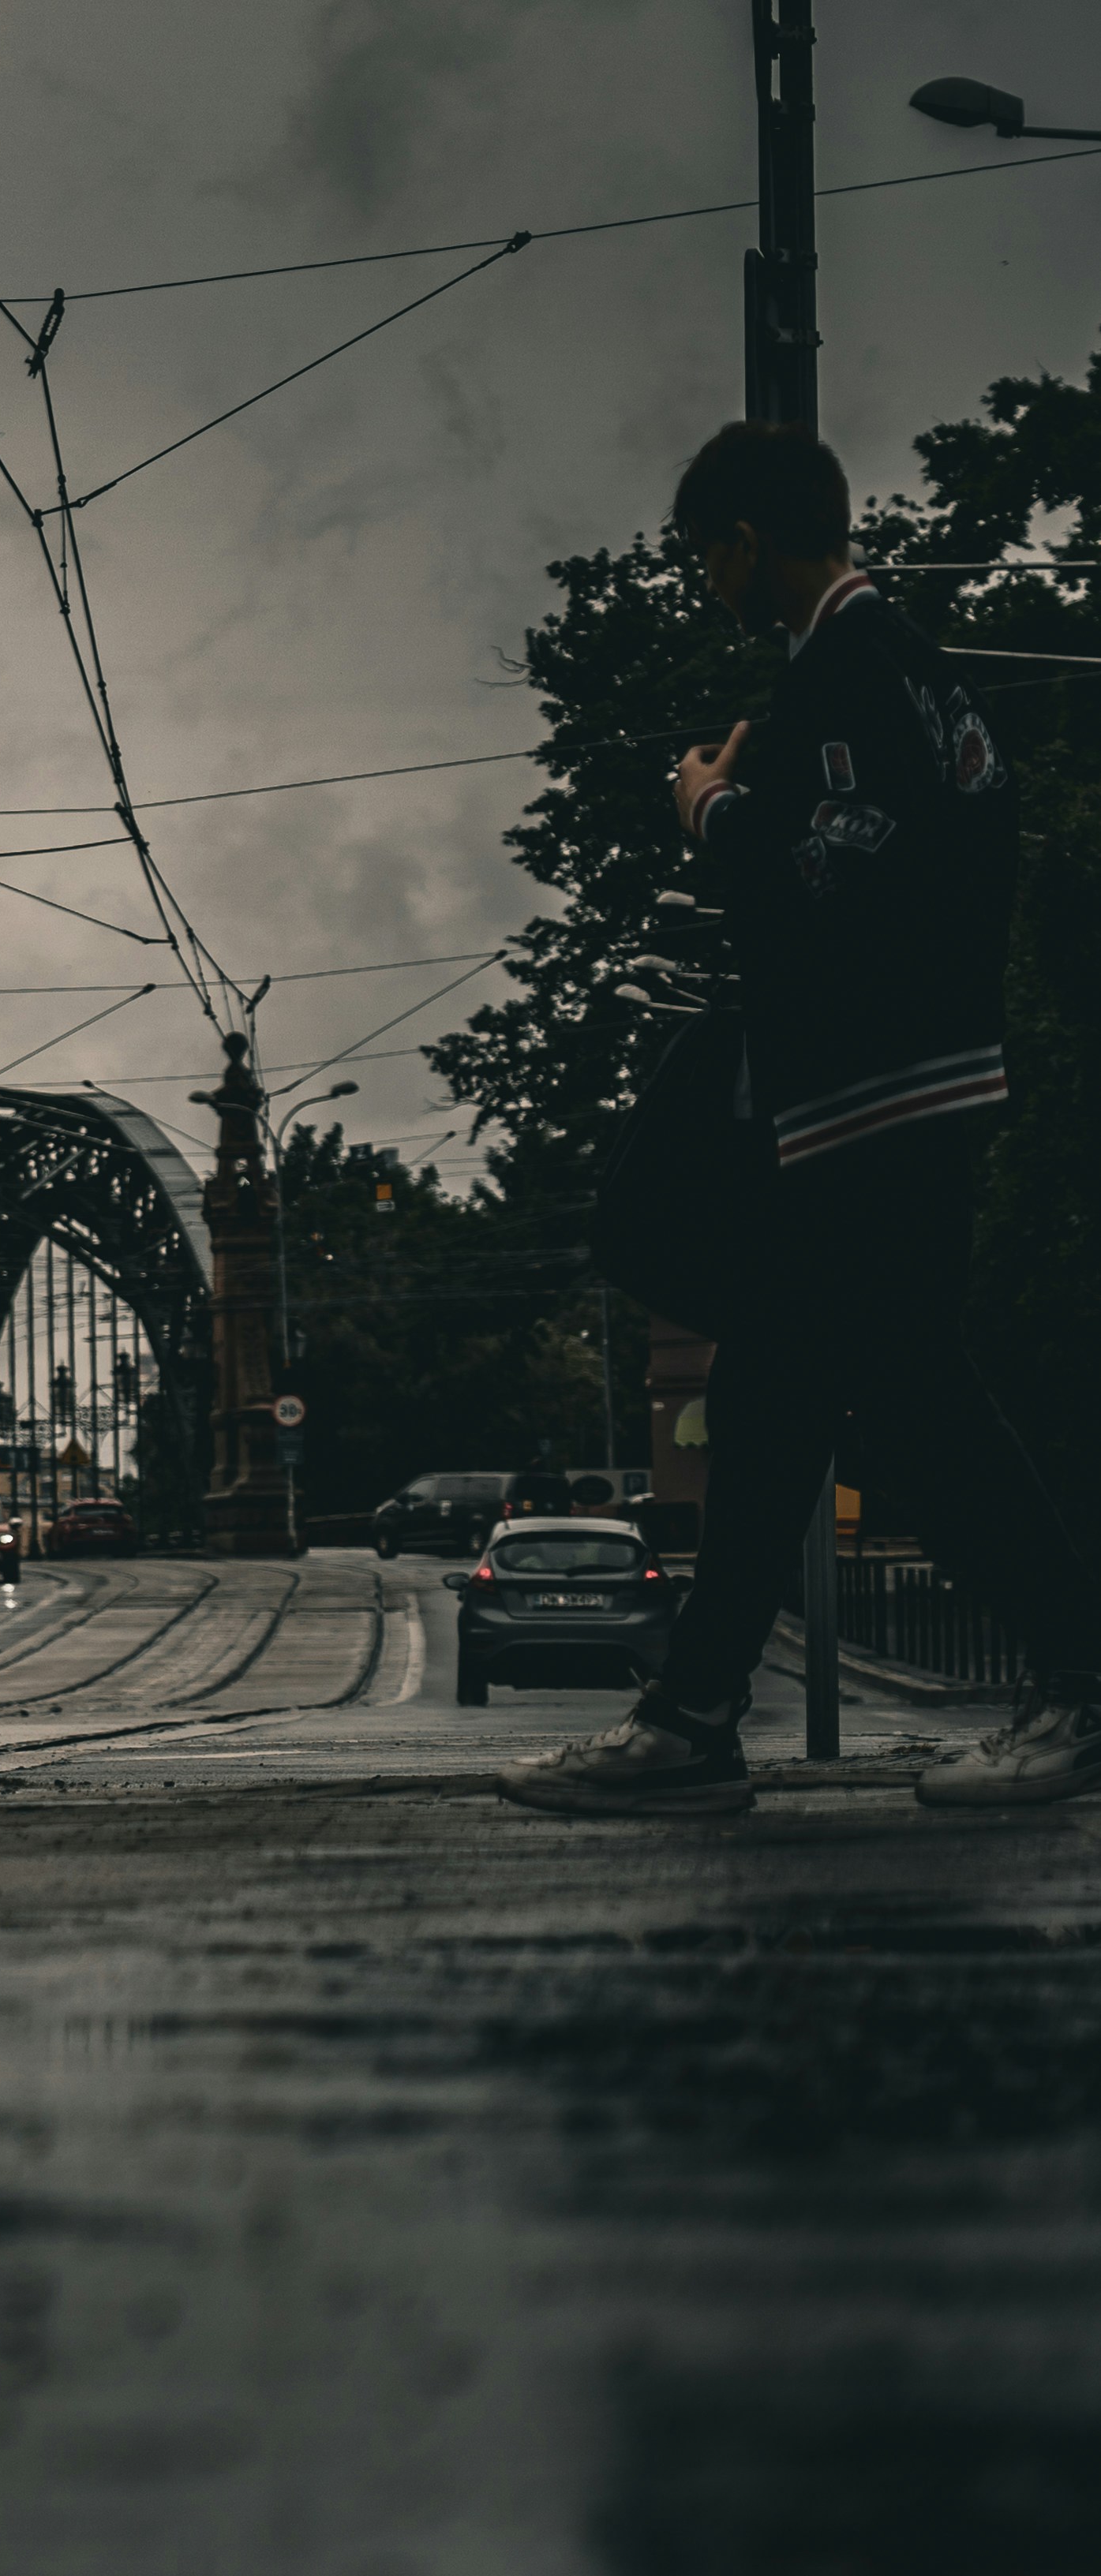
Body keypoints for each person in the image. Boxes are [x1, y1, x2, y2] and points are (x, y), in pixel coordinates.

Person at [500, 421, 1099, 1818]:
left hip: (867, 1101)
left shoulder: (842, 673)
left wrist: (710, 810)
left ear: (742, 543)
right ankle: (696, 1714)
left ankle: (1072, 1683)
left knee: (900, 1403)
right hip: (917, 1084)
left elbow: (829, 876)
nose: (706, 587)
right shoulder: (921, 675)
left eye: (704, 559)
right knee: (781, 1388)